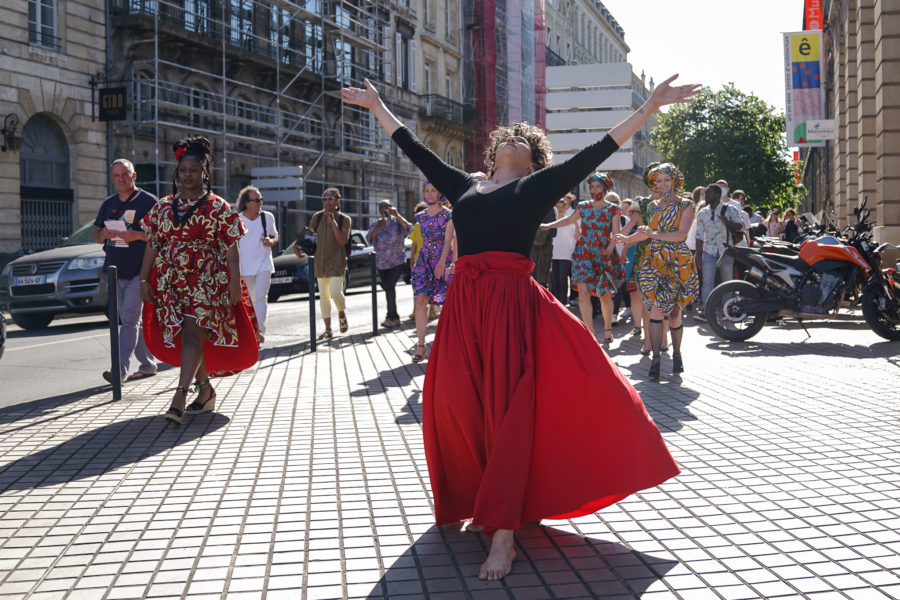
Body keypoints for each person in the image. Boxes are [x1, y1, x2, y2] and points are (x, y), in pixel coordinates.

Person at [342, 74, 695, 580]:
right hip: (465, 306)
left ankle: (503, 533)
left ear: (533, 162)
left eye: (525, 142)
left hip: (510, 305)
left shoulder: (536, 188)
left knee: (508, 412)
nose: (513, 139)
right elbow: (413, 148)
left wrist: (650, 109)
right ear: (493, 154)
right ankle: (480, 497)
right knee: (455, 404)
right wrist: (377, 104)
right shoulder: (465, 185)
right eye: (507, 136)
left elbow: (598, 150)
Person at [139, 136, 259, 425]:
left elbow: (231, 247)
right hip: (171, 282)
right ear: (176, 172)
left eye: (193, 169)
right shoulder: (164, 207)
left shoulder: (218, 206)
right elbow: (152, 243)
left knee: (193, 333)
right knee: (186, 337)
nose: (187, 175)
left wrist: (233, 283)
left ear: (204, 172)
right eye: (183, 170)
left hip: (206, 281)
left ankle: (179, 396)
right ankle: (205, 392)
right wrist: (144, 279)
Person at [620, 163, 699, 379]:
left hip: (677, 262)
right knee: (655, 309)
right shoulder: (652, 205)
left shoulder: (686, 204)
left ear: (675, 181)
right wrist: (628, 239)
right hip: (653, 261)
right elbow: (646, 232)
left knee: (674, 313)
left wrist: (653, 234)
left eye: (666, 179)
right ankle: (655, 359)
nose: (662, 184)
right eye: (659, 181)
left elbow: (680, 235)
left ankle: (677, 353)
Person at [93, 159, 158, 384]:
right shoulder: (108, 203)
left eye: (125, 174)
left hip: (140, 272)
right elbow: (96, 234)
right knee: (130, 320)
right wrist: (105, 235)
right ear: (112, 179)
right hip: (114, 270)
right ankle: (148, 364)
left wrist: (137, 235)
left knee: (129, 321)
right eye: (117, 176)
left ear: (134, 176)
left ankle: (118, 371)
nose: (121, 179)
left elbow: (163, 236)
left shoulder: (149, 202)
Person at [543, 172, 625, 344]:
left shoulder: (613, 209)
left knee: (604, 295)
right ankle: (590, 332)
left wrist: (610, 249)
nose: (595, 189)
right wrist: (549, 225)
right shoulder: (584, 206)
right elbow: (567, 221)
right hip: (583, 253)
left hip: (603, 254)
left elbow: (616, 234)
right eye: (592, 186)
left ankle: (608, 328)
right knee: (583, 293)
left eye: (598, 186)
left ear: (605, 188)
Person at [409, 180, 455, 362]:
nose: (429, 194)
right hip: (424, 261)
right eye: (426, 191)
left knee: (446, 304)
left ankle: (446, 344)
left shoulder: (449, 216)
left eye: (433, 191)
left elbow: (448, 241)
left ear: (439, 194)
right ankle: (421, 346)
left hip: (442, 260)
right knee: (420, 300)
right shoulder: (420, 217)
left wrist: (442, 262)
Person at [299, 188, 352, 340]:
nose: (327, 202)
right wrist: (299, 246)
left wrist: (333, 223)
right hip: (320, 263)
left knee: (335, 292)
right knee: (324, 297)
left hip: (337, 262)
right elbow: (309, 233)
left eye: (330, 199)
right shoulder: (317, 217)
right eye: (324, 199)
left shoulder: (344, 219)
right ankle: (328, 329)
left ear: (337, 201)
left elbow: (342, 240)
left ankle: (341, 312)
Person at [694, 184, 742, 321]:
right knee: (707, 282)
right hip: (708, 251)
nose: (706, 196)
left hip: (726, 251)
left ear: (716, 194)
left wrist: (727, 222)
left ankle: (728, 311)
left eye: (708, 194)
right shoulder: (703, 212)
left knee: (727, 282)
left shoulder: (730, 209)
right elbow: (698, 235)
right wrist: (698, 254)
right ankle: (706, 311)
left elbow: (740, 227)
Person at [237, 186, 278, 343]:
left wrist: (271, 241)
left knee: (261, 297)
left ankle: (259, 330)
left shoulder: (267, 217)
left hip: (264, 265)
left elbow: (275, 235)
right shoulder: (238, 219)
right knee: (249, 301)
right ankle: (250, 330)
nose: (260, 202)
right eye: (257, 200)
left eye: (261, 199)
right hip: (245, 267)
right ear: (247, 203)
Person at [367, 199, 412, 328]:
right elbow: (369, 239)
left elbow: (409, 228)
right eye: (381, 206)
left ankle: (390, 317)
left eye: (386, 206)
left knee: (389, 286)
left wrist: (397, 215)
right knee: (388, 288)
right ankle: (395, 318)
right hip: (381, 263)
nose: (384, 208)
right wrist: (377, 227)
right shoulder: (376, 223)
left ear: (391, 208)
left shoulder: (397, 222)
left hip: (396, 261)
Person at [548, 193, 578, 305]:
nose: (560, 209)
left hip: (566, 254)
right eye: (558, 207)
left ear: (566, 207)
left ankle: (563, 301)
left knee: (562, 278)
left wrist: (574, 221)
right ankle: (556, 301)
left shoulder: (569, 220)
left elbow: (577, 234)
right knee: (555, 279)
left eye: (562, 207)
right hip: (553, 253)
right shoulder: (552, 221)